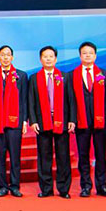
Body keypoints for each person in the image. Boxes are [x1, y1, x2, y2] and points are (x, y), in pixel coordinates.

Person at [67, 41, 106, 198]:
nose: (87, 55)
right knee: (83, 155)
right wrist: (72, 120)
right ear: (80, 56)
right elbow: (70, 101)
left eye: (90, 53)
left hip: (101, 120)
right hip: (81, 121)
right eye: (84, 53)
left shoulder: (104, 74)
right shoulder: (72, 75)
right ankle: (86, 186)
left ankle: (102, 186)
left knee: (101, 154)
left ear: (95, 55)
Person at [28, 46, 74, 198]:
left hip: (62, 120)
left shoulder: (65, 77)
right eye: (45, 56)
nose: (48, 59)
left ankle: (64, 189)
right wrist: (33, 121)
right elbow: (31, 101)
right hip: (42, 121)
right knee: (44, 156)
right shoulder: (34, 78)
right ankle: (46, 188)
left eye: (51, 56)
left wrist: (72, 119)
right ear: (40, 59)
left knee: (63, 156)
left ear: (55, 59)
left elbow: (71, 100)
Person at [0, 45, 28, 197]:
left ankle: (15, 186)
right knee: (0, 156)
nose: (5, 57)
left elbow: (24, 99)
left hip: (15, 122)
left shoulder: (21, 76)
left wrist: (24, 120)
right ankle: (2, 186)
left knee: (15, 156)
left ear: (12, 57)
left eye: (8, 54)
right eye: (3, 55)